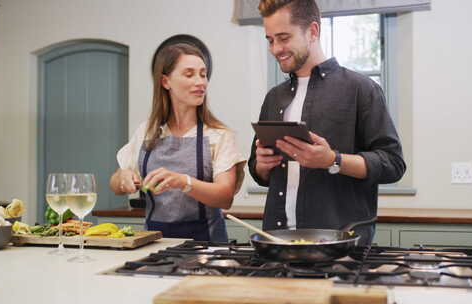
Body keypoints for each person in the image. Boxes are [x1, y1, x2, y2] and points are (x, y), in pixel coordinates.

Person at [248, 0, 406, 246]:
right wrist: (262, 165)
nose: (275, 49)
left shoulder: (361, 89)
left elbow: (393, 164)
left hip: (340, 249)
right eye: (270, 40)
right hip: (276, 244)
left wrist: (333, 160)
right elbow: (258, 172)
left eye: (283, 38)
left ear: (313, 31)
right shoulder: (274, 97)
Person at [111, 43, 246, 242]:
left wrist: (183, 182)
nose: (200, 82)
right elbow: (115, 183)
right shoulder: (147, 131)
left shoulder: (219, 135)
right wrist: (123, 177)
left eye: (203, 74)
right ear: (166, 82)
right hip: (153, 244)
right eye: (189, 74)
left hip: (205, 246)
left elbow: (224, 197)